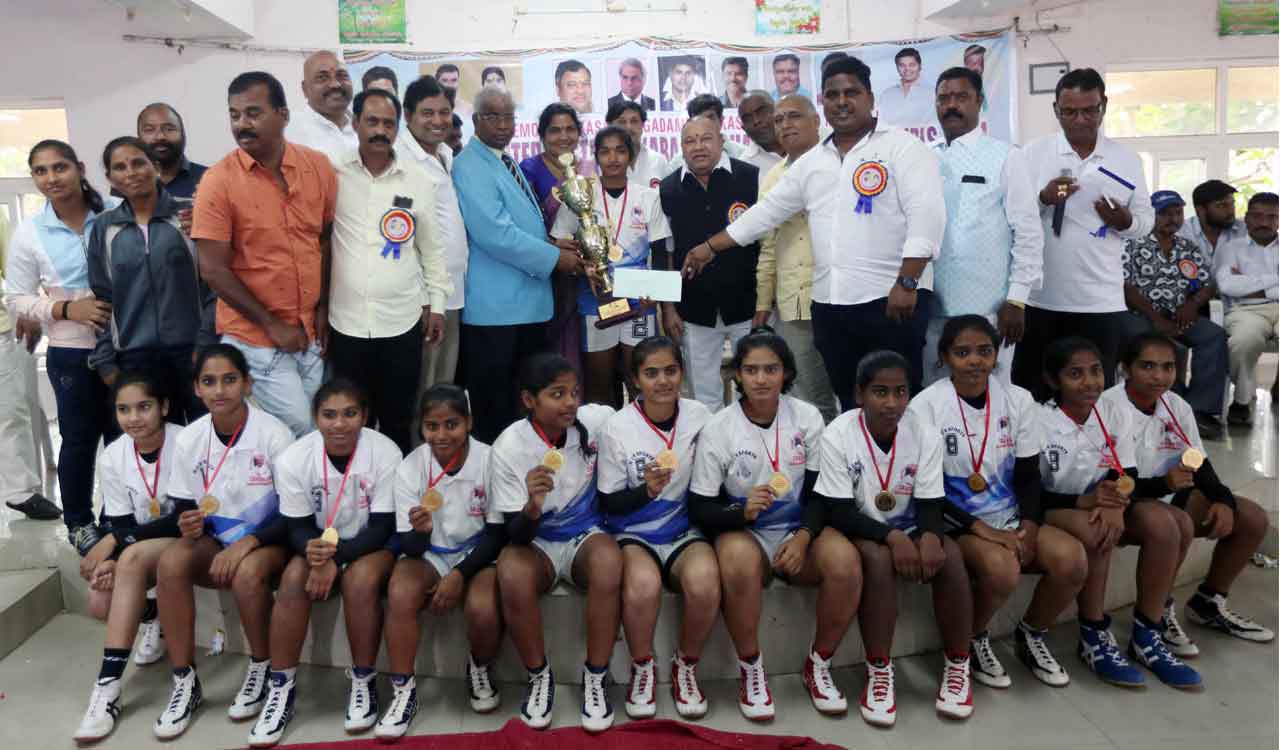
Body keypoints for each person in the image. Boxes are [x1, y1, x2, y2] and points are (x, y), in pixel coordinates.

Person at [685, 57, 946, 404]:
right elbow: (765, 214)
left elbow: (926, 218)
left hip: (892, 298)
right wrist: (709, 247)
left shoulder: (902, 148)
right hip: (830, 304)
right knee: (849, 399)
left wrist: (908, 281)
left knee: (898, 399)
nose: (841, 101)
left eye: (851, 92)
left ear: (869, 96)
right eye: (832, 94)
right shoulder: (811, 163)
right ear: (823, 102)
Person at [689, 328, 860, 720]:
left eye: (771, 369)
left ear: (786, 373)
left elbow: (820, 493)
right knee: (736, 562)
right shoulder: (719, 427)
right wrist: (738, 512)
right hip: (744, 532)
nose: (761, 379)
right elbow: (700, 507)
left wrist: (803, 537)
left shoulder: (807, 417)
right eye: (751, 370)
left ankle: (819, 663)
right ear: (737, 376)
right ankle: (751, 667)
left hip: (799, 529)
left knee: (846, 564)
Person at [910, 316, 1086, 690]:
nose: (975, 361)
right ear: (944, 358)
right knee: (1002, 569)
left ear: (997, 355)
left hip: (1008, 516)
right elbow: (924, 490)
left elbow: (1027, 475)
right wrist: (985, 531)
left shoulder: (1018, 400)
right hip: (956, 522)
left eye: (984, 351)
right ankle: (970, 639)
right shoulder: (925, 405)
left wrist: (1031, 526)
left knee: (1071, 560)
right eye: (962, 352)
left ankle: (1032, 632)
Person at [817, 350, 975, 726]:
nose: (892, 403)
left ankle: (958, 664)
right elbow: (837, 510)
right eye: (880, 392)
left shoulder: (923, 432)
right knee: (878, 562)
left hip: (911, 523)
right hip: (860, 526)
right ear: (859, 395)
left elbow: (931, 500)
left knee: (950, 557)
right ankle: (879, 669)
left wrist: (932, 537)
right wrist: (891, 537)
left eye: (900, 392)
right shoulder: (838, 433)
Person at [1037, 337, 1201, 690]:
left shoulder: (1110, 413)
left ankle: (1148, 635)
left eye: (1096, 371)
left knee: (1170, 524)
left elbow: (1123, 472)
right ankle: (1093, 635)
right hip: (1050, 506)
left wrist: (1115, 502)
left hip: (1099, 501)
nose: (1090, 382)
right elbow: (1030, 493)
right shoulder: (1039, 421)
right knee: (1099, 529)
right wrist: (1094, 505)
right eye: (1076, 374)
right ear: (1054, 380)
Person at [151, 344, 295, 740]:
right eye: (209, 382)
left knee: (249, 574)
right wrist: (189, 521)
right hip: (216, 538)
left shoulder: (274, 435)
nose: (220, 391)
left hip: (270, 538)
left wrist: (248, 543)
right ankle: (185, 680)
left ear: (247, 384)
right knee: (171, 562)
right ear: (196, 388)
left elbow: (292, 517)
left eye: (230, 380)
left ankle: (262, 666)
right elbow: (184, 500)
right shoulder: (190, 439)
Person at [247, 379, 402, 747]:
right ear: (315, 418)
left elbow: (382, 527)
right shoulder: (294, 458)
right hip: (318, 543)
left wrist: (336, 559)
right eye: (329, 415)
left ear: (364, 416)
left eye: (350, 414)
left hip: (371, 544)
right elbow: (296, 526)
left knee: (360, 581)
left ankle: (363, 680)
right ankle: (281, 688)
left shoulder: (386, 452)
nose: (340, 424)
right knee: (291, 579)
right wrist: (314, 554)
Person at [1103, 333, 1273, 656]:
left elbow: (1197, 461)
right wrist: (1165, 485)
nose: (1159, 376)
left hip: (1167, 495)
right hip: (1124, 502)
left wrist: (1223, 500)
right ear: (1125, 368)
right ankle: (1157, 612)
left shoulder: (1175, 404)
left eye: (1168, 367)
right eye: (1147, 366)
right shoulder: (1109, 407)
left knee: (1250, 518)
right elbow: (1120, 483)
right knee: (1178, 517)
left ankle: (1208, 602)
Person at [193, 71, 335, 437]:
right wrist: (271, 323)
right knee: (300, 432)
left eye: (253, 113)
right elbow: (212, 268)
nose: (242, 124)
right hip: (255, 336)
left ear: (283, 115)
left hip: (309, 333)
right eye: (235, 115)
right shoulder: (218, 181)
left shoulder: (316, 167)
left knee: (316, 431)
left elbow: (324, 238)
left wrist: (322, 308)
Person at [488, 354, 618, 731]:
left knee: (609, 561)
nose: (570, 402)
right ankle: (538, 675)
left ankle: (596, 675)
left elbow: (639, 414)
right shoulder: (509, 446)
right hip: (536, 540)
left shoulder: (594, 421)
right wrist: (531, 507)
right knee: (511, 573)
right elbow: (512, 535)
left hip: (583, 533)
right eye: (556, 394)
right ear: (530, 400)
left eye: (574, 392)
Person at [3, 140, 118, 553]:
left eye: (59, 168)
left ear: (79, 168)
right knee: (79, 440)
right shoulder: (30, 232)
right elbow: (16, 298)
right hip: (71, 352)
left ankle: (116, 518)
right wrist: (67, 308)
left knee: (124, 438)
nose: (51, 178)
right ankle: (80, 522)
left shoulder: (111, 215)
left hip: (126, 348)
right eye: (40, 171)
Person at [1012, 68, 1153, 400]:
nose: (1079, 120)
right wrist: (1042, 199)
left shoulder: (1126, 159)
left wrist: (1126, 221)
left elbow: (1146, 221)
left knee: (1095, 396)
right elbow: (1011, 217)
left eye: (1089, 110)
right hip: (1041, 297)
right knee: (1033, 392)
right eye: (1069, 111)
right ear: (1056, 110)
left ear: (1104, 106)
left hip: (1100, 300)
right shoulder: (1031, 154)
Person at [596, 337, 718, 719]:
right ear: (635, 380)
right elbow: (608, 502)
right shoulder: (618, 427)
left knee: (704, 583)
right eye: (651, 373)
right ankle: (643, 666)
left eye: (670, 370)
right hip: (634, 533)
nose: (662, 381)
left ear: (682, 372)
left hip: (684, 529)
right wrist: (644, 491)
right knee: (643, 586)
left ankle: (686, 665)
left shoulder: (701, 416)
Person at [452, 88, 582, 443]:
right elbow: (494, 233)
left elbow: (524, 224)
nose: (503, 124)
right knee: (496, 415)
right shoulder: (470, 164)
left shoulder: (503, 159)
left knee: (527, 412)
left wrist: (553, 243)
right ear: (475, 120)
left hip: (525, 307)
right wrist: (555, 258)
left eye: (509, 116)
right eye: (492, 116)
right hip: (497, 312)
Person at [377, 384, 506, 740]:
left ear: (469, 423)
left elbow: (497, 535)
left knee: (482, 607)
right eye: (432, 426)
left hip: (480, 553)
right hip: (431, 553)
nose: (442, 435)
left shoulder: (491, 460)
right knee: (400, 590)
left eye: (452, 424)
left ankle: (479, 667)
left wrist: (460, 575)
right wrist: (420, 532)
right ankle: (404, 690)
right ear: (421, 428)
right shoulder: (409, 468)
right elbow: (412, 547)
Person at [326, 88, 450, 455]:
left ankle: (396, 500)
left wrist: (438, 303)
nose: (380, 130)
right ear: (356, 123)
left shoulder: (417, 180)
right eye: (372, 121)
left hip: (401, 323)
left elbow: (432, 249)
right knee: (349, 420)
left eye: (389, 123)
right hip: (346, 323)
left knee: (398, 419)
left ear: (399, 127)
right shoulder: (333, 173)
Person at [73, 372, 185, 743]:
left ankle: (107, 687)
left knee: (129, 560)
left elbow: (181, 520)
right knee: (98, 600)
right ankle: (152, 616)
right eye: (124, 409)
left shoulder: (185, 443)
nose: (134, 417)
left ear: (164, 407)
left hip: (189, 540)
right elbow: (120, 523)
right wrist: (111, 553)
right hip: (141, 544)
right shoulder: (115, 455)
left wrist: (116, 547)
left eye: (144, 407)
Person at [926, 66, 1043, 389]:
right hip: (932, 308)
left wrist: (1018, 298)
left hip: (991, 309)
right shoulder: (925, 159)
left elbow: (1029, 232)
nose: (951, 105)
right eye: (944, 98)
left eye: (961, 97)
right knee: (936, 393)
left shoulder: (1006, 157)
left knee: (991, 395)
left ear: (980, 102)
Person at [88, 137, 214, 425]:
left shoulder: (189, 215)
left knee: (202, 443)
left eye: (138, 163)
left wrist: (205, 344)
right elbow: (101, 299)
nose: (130, 172)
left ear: (155, 167)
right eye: (120, 167)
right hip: (134, 357)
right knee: (152, 450)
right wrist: (106, 362)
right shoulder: (104, 228)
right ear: (110, 179)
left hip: (191, 351)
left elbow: (213, 286)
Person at [551, 126, 669, 407]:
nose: (613, 158)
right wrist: (583, 268)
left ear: (631, 156)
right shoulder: (580, 195)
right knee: (599, 382)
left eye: (620, 150)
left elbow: (662, 253)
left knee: (640, 377)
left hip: (640, 298)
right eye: (605, 151)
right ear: (596, 157)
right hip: (595, 298)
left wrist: (659, 295)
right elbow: (558, 244)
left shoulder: (648, 197)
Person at [657, 116, 760, 411]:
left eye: (706, 139)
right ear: (681, 147)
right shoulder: (667, 189)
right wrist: (668, 308)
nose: (698, 147)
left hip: (747, 305)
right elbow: (664, 253)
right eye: (690, 141)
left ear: (721, 140)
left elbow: (766, 242)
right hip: (693, 309)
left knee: (753, 388)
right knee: (703, 395)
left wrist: (767, 300)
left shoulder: (750, 178)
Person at [751, 95, 838, 422]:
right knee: (809, 396)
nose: (785, 125)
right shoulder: (774, 178)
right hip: (793, 302)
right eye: (779, 119)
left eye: (794, 117)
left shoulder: (839, 166)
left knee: (848, 384)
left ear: (817, 122)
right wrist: (763, 303)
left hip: (838, 297)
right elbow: (768, 246)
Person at [1119, 189, 1227, 438]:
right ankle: (1169, 409)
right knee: (1168, 347)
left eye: (1177, 212)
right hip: (1139, 315)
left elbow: (1207, 283)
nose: (1173, 218)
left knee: (1214, 336)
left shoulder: (1187, 246)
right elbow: (1123, 285)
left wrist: (1192, 305)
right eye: (1164, 213)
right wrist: (1156, 319)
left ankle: (1199, 411)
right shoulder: (1132, 244)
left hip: (1180, 315)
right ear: (1150, 215)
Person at [399, 76, 468, 393]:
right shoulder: (401, 159)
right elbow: (402, 236)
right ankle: (418, 444)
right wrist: (427, 301)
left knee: (443, 387)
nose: (438, 121)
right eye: (427, 113)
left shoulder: (445, 153)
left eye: (444, 112)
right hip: (425, 298)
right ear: (408, 114)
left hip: (452, 291)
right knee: (422, 389)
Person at [521, 103, 592, 376]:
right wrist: (551, 248)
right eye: (555, 130)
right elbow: (524, 223)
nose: (563, 137)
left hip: (583, 276)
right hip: (543, 272)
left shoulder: (587, 170)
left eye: (570, 129)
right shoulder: (528, 170)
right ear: (542, 135)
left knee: (582, 346)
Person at [0, 218, 57, 521]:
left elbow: (18, 276)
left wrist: (27, 311)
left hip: (3, 332)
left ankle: (20, 492)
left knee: (11, 411)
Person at [1215, 192, 1279, 426]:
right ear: (1247, 218)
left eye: (1272, 217)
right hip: (1245, 312)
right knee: (1242, 342)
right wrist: (1275, 279)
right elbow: (1227, 285)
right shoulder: (1231, 247)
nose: (1264, 222)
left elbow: (1239, 285)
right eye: (1258, 216)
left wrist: (1251, 284)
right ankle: (1241, 402)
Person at [286, 51, 357, 157]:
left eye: (342, 76)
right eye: (322, 77)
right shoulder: (288, 131)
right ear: (305, 89)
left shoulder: (366, 124)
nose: (335, 84)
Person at [136, 103, 207, 199]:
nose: (160, 136)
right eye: (150, 130)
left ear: (183, 134)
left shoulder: (210, 178)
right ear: (139, 139)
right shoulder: (128, 183)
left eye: (169, 129)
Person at [666, 94, 747, 172]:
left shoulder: (742, 155)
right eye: (698, 119)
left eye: (710, 118)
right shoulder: (678, 163)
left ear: (721, 120)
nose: (704, 124)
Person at [606, 100, 670, 189]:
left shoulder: (658, 161)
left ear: (642, 125)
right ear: (609, 126)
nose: (629, 127)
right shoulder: (604, 163)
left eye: (634, 121)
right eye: (622, 122)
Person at [1179, 179, 1246, 264]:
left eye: (1232, 203)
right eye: (1221, 205)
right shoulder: (1182, 233)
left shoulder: (1245, 231)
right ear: (1201, 210)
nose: (1230, 210)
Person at [877, 48, 935, 127]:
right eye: (902, 65)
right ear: (897, 68)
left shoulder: (933, 93)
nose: (907, 69)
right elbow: (881, 125)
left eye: (912, 65)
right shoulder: (887, 95)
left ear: (920, 66)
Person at [737, 91, 785, 174]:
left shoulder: (807, 144)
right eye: (748, 118)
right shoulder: (744, 167)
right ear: (744, 129)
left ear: (777, 110)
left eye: (762, 112)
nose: (756, 121)